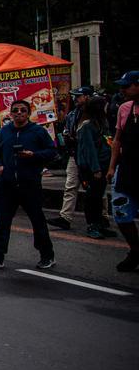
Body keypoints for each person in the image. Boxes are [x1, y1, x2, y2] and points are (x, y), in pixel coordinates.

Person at [0, 100, 58, 270]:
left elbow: (52, 151)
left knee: (37, 220)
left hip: (29, 183)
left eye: (23, 110)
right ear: (10, 113)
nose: (19, 113)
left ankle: (47, 255)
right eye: (15, 110)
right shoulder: (4, 131)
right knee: (2, 221)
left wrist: (34, 155)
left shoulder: (37, 131)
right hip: (7, 184)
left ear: (28, 113)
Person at [48, 86, 96, 230]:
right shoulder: (72, 114)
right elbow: (66, 131)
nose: (76, 99)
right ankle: (65, 217)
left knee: (96, 187)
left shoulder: (96, 114)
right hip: (74, 154)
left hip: (92, 156)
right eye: (75, 96)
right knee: (70, 185)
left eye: (79, 96)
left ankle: (102, 217)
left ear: (87, 97)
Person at [107, 71, 139, 271]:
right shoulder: (125, 108)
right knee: (121, 211)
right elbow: (117, 139)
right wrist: (112, 166)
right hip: (127, 167)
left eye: (126, 86)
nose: (122, 90)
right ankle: (135, 249)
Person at [76, 97, 114, 239]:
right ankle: (92, 225)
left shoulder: (102, 123)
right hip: (92, 169)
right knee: (92, 198)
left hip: (104, 166)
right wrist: (95, 169)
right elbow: (89, 150)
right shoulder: (87, 125)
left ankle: (100, 224)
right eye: (104, 106)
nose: (107, 108)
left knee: (98, 197)